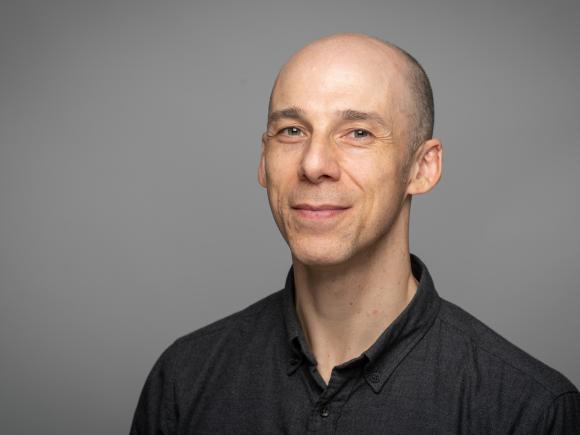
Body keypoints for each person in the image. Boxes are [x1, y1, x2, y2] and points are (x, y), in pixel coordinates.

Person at [130, 33, 580, 434]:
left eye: (358, 132)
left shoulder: (529, 410)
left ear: (422, 168)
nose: (313, 164)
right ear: (263, 162)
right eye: (291, 130)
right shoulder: (185, 381)